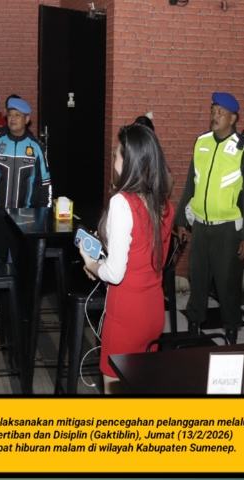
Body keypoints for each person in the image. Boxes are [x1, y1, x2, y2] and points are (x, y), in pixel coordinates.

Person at [78, 123, 174, 394]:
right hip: (154, 311)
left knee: (115, 393)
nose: (114, 159)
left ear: (130, 160)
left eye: (117, 154)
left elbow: (116, 273)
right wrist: (103, 264)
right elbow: (145, 258)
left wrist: (93, 264)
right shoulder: (163, 203)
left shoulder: (122, 202)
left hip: (126, 315)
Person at [174, 92, 244, 345]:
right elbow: (191, 183)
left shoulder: (243, 149)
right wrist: (181, 219)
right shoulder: (201, 142)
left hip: (228, 230)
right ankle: (194, 324)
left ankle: (231, 329)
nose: (215, 116)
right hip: (200, 226)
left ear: (233, 118)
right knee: (198, 279)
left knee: (227, 283)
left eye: (221, 112)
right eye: (213, 110)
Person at [0, 97, 52, 323]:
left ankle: (18, 306)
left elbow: (45, 185)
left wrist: (42, 218)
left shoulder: (36, 148)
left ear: (27, 119)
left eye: (17, 116)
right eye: (10, 115)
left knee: (21, 265)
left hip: (25, 218)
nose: (12, 119)